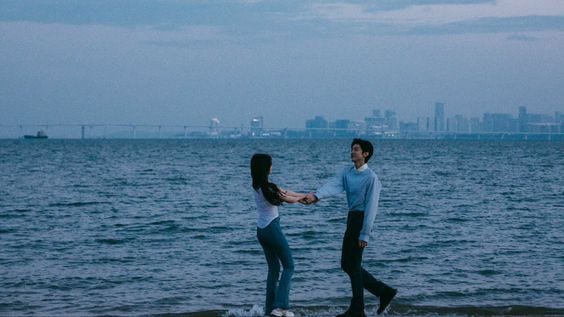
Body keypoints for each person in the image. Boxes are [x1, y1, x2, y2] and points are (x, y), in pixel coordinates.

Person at [302, 139, 397, 316]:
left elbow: (372, 208)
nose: (352, 152)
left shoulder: (372, 178)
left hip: (361, 220)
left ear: (365, 154)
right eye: (352, 149)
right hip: (352, 218)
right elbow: (334, 185)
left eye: (356, 149)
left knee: (352, 265)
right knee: (347, 264)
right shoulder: (347, 172)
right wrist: (316, 196)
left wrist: (365, 234)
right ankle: (383, 292)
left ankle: (358, 309)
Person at [251, 153, 306, 317]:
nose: (272, 167)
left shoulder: (258, 185)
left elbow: (287, 193)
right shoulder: (268, 187)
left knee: (274, 269)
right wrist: (303, 199)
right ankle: (280, 306)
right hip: (271, 229)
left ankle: (270, 310)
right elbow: (287, 199)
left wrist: (304, 196)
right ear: (266, 168)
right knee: (289, 265)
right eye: (271, 164)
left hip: (261, 231)